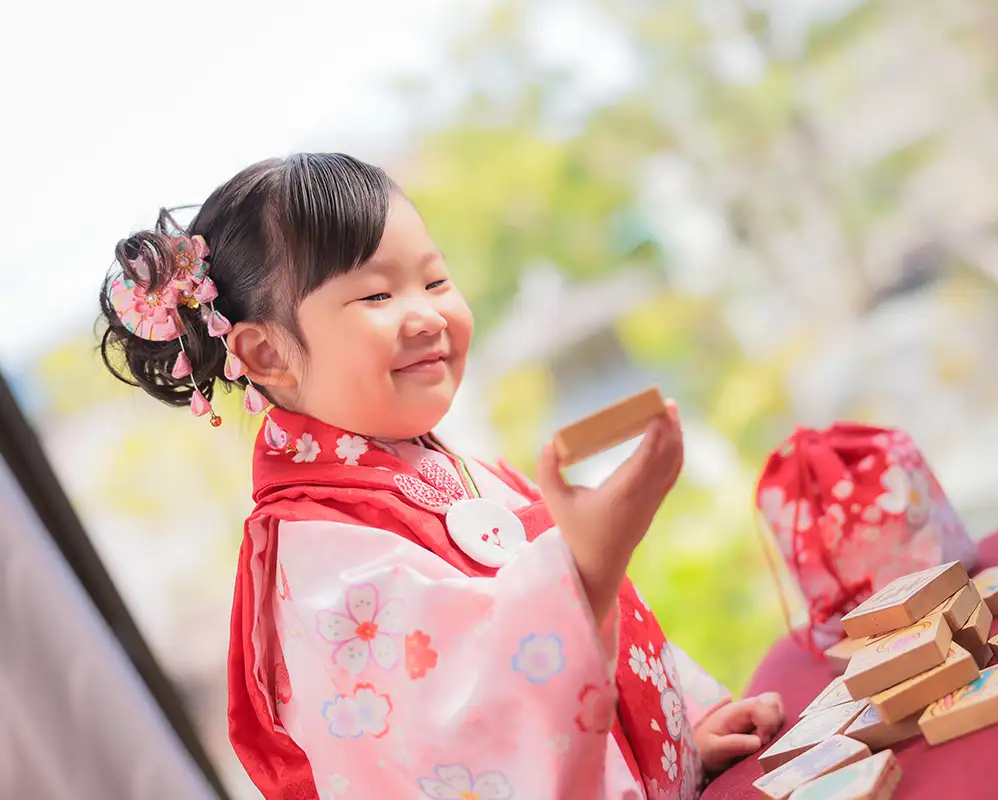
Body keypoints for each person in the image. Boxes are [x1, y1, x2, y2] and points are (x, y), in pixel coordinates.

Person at [98, 153, 785, 799]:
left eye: (434, 282)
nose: (426, 315)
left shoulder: (457, 470)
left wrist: (677, 731)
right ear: (267, 353)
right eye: (376, 295)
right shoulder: (317, 557)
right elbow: (463, 721)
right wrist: (586, 565)